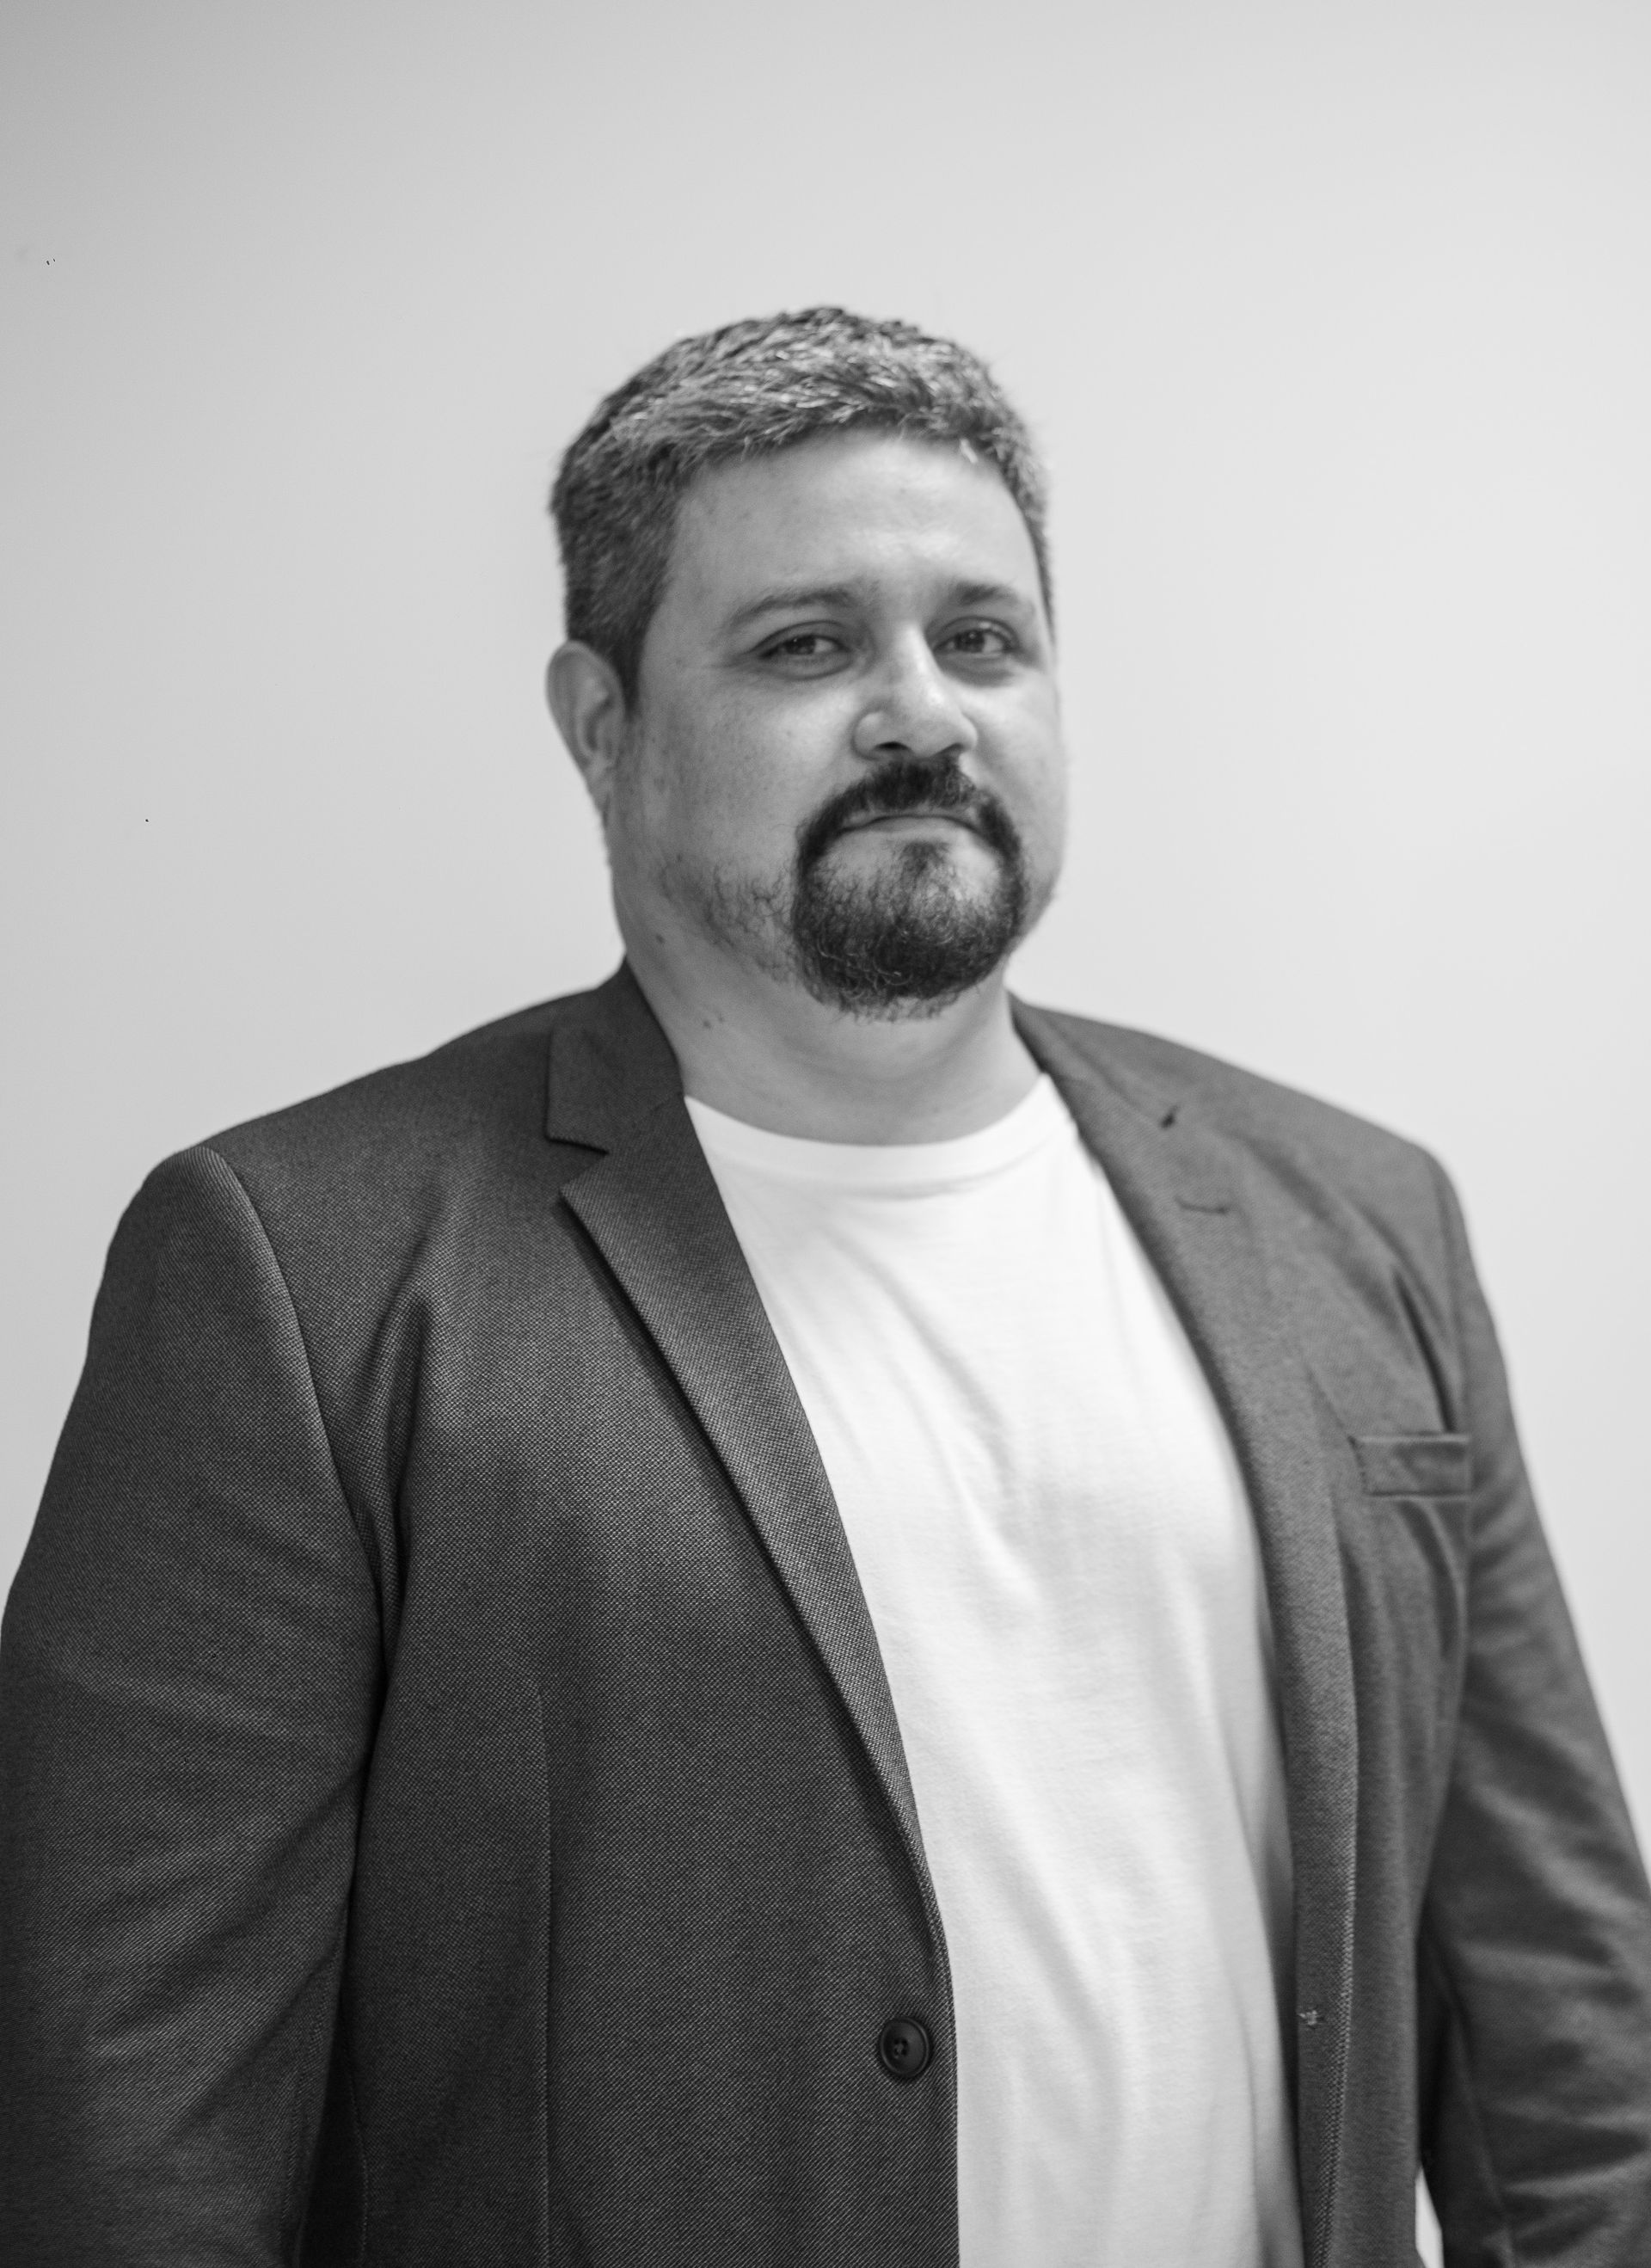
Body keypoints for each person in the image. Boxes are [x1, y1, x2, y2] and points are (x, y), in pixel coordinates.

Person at [2, 307, 1648, 2268]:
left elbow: (1564, 2035)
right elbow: (125, 2111)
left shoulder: (1358, 1220)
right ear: (601, 725)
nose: (922, 714)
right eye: (806, 645)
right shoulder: (304, 1267)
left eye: (984, 637)